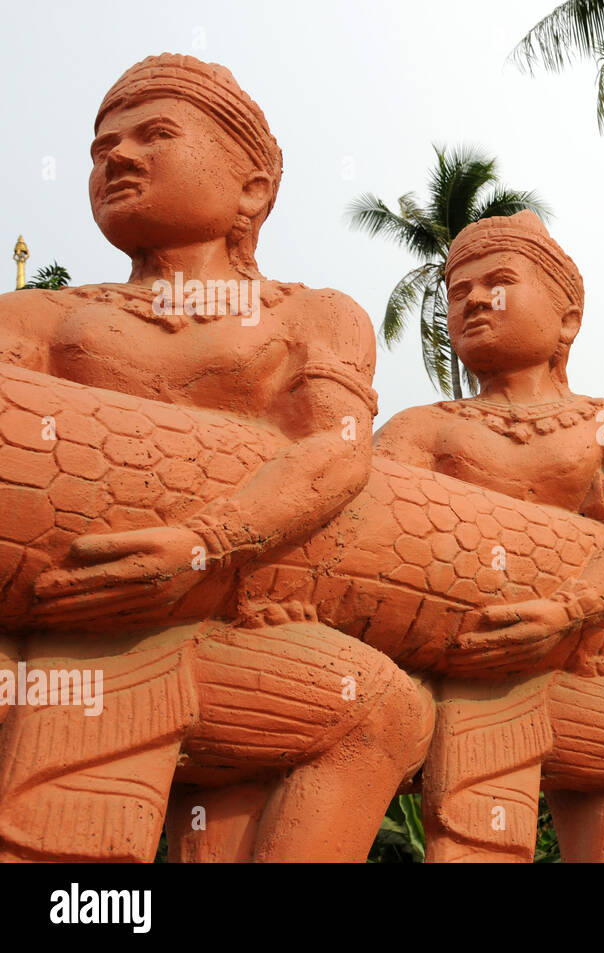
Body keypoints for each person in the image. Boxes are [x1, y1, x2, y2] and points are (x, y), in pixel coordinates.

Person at [0, 54, 433, 862]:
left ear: (252, 189)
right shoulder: (39, 317)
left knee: (382, 708)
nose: (118, 158)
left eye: (154, 134)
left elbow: (337, 451)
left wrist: (209, 540)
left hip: (225, 612)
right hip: (57, 604)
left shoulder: (311, 315)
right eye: (102, 148)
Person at [373, 211, 604, 862]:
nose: (472, 298)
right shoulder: (424, 428)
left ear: (567, 318)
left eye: (498, 281)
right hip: (458, 662)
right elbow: (376, 522)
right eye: (457, 290)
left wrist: (571, 608)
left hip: (573, 659)